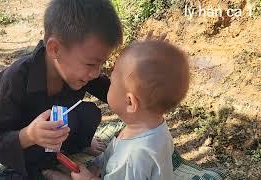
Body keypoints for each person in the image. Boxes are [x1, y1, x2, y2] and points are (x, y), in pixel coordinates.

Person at [0, 0, 123, 179]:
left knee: (89, 113)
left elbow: (112, 93)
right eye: (91, 64)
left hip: (59, 136)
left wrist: (137, 73)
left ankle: (78, 146)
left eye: (101, 64)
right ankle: (44, 170)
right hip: (29, 147)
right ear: (55, 49)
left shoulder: (79, 68)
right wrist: (29, 135)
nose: (96, 73)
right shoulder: (14, 80)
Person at [46, 40, 190, 180]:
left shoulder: (131, 157)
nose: (107, 82)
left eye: (113, 81)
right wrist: (98, 167)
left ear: (129, 102)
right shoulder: (153, 128)